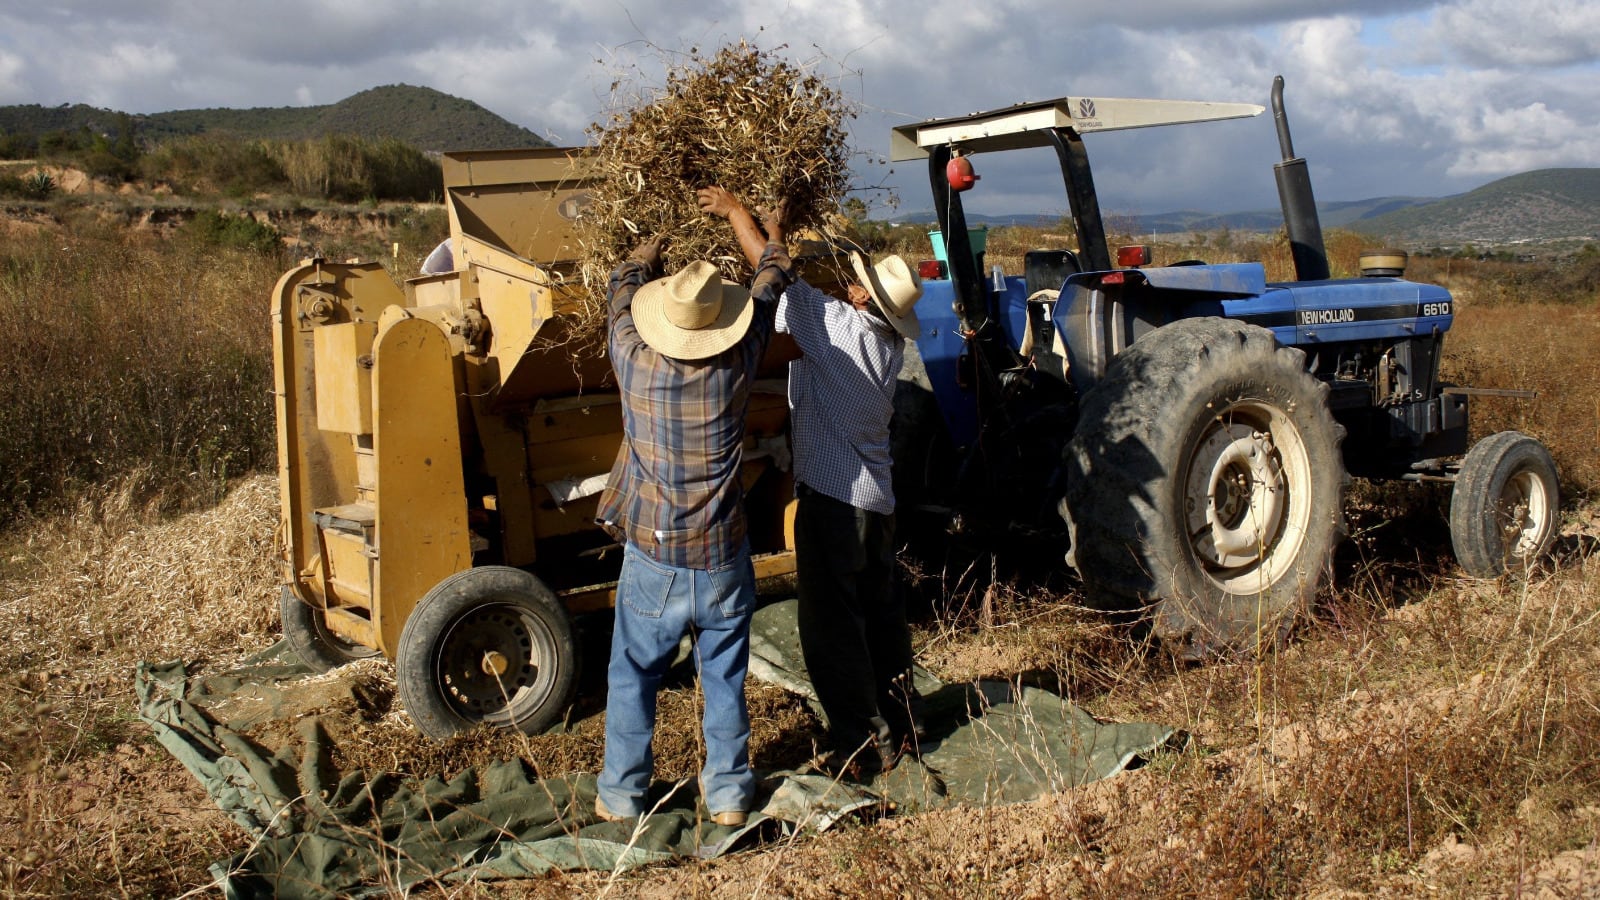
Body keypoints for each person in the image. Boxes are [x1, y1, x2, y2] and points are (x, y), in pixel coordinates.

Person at [593, 189, 792, 828]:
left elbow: (618, 297)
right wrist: (754, 220)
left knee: (632, 675)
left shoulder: (632, 360)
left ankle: (622, 796)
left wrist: (643, 258)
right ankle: (730, 793)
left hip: (654, 555)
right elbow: (770, 282)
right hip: (723, 553)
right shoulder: (736, 362)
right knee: (725, 677)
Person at [715, 195, 927, 780]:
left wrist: (744, 214)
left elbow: (771, 271)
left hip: (834, 505)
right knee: (881, 617)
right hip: (876, 505)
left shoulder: (837, 327)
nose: (849, 286)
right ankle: (904, 720)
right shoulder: (889, 345)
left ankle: (866, 744)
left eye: (855, 284)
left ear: (863, 297)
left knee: (831, 632)